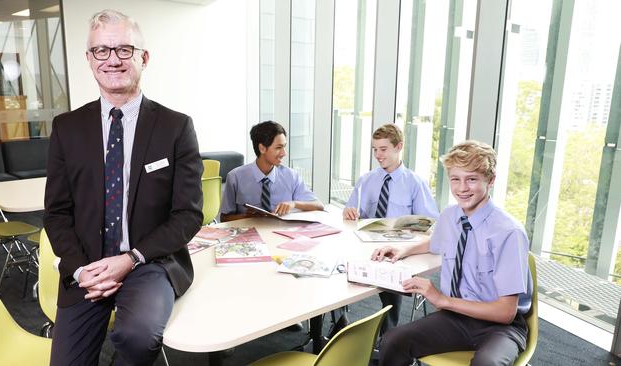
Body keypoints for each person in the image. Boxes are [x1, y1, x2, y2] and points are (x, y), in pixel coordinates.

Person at [43, 10, 203, 365]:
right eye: (101, 50)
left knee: (137, 337)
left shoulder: (176, 127)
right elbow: (56, 213)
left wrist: (131, 258)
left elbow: (188, 214)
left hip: (149, 262)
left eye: (123, 50)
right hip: (88, 267)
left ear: (143, 58)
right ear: (89, 59)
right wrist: (82, 270)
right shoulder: (66, 128)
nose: (112, 60)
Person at [372, 140, 532, 366]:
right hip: (455, 319)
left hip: (499, 328)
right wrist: (403, 249)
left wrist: (442, 300)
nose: (462, 188)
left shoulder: (509, 232)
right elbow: (435, 243)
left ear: (491, 180)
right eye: (456, 179)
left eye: (472, 179)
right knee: (392, 341)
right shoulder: (450, 216)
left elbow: (505, 312)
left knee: (487, 364)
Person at [343, 123, 439, 334]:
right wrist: (349, 213)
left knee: (391, 279)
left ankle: (387, 334)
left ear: (399, 146)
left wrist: (413, 229)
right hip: (365, 245)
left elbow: (429, 223)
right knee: (340, 269)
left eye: (383, 149)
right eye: (375, 149)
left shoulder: (415, 183)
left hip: (398, 251)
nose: (378, 155)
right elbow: (351, 213)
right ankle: (340, 321)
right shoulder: (366, 180)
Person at [220, 120, 324, 222]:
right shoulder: (235, 177)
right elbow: (224, 218)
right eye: (278, 148)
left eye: (284, 147)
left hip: (282, 235)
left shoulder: (291, 176)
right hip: (249, 235)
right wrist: (246, 217)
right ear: (262, 148)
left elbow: (319, 205)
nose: (284, 153)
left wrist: (294, 204)